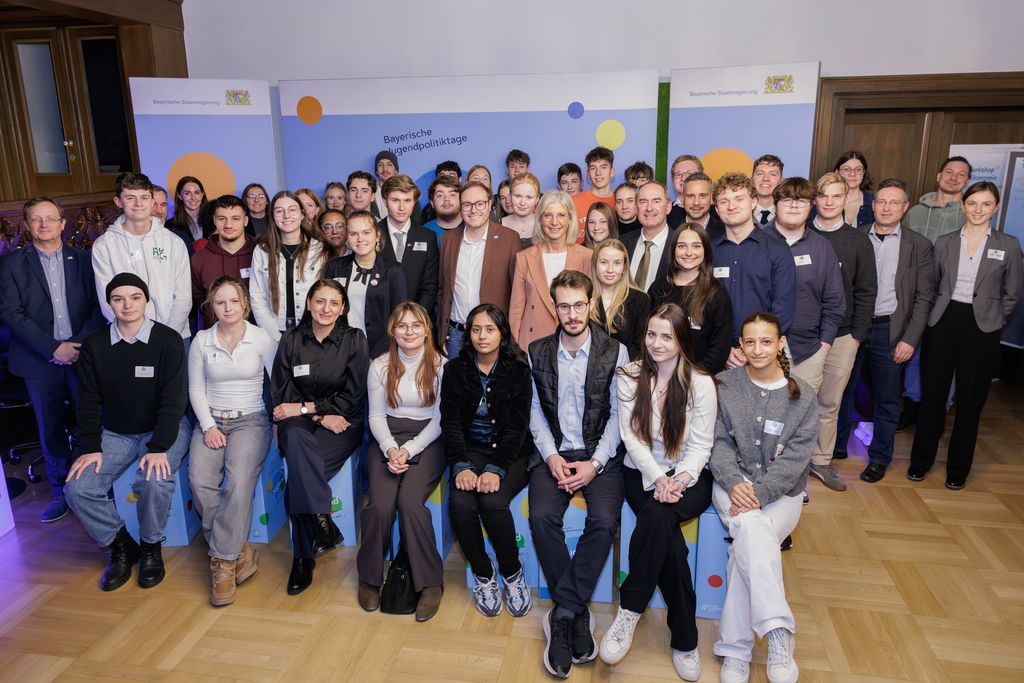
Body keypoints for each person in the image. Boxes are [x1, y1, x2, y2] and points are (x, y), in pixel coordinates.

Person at [601, 303, 717, 681]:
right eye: (652, 334)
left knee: (657, 515)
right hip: (641, 473)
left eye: (667, 336)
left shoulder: (701, 382)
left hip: (689, 477)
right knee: (671, 545)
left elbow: (701, 446)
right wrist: (657, 478)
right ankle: (685, 639)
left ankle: (629, 609)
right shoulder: (629, 375)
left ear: (682, 339)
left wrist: (677, 480)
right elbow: (631, 438)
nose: (657, 343)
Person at [527, 270, 628, 679]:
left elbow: (620, 416)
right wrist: (551, 456)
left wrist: (595, 464)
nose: (571, 314)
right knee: (540, 518)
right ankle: (577, 612)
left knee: (603, 520)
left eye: (579, 305)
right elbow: (534, 412)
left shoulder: (615, 351)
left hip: (600, 455)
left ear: (591, 305)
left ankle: (563, 613)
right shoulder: (537, 351)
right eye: (564, 306)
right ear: (554, 307)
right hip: (553, 453)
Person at [708, 311, 817, 683]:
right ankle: (778, 632)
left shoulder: (803, 395)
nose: (758, 349)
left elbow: (796, 459)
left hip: (783, 495)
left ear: (781, 343)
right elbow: (717, 443)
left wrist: (762, 491)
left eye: (766, 341)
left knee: (750, 538)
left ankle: (735, 650)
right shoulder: (723, 384)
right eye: (750, 342)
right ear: (740, 345)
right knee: (754, 532)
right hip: (732, 487)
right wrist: (733, 481)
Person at [64, 273, 190, 591]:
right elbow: (87, 400)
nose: (127, 305)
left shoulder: (168, 340)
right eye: (118, 299)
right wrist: (91, 446)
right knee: (77, 489)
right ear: (109, 304)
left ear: (146, 300)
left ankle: (150, 547)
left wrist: (158, 447)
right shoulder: (95, 345)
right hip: (115, 433)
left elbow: (174, 400)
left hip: (164, 429)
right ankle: (121, 544)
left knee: (154, 480)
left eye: (135, 297)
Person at [909, 182, 1022, 489]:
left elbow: (1013, 293)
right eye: (972, 203)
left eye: (985, 204)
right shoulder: (945, 242)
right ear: (963, 206)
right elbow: (932, 285)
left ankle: (958, 469)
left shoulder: (1009, 245)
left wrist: (994, 318)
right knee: (933, 397)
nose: (978, 210)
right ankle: (920, 461)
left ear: (995, 208)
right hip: (943, 322)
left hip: (982, 328)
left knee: (971, 401)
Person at [0, 197, 105, 522]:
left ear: (62, 224)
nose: (44, 224)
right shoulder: (11, 263)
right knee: (51, 428)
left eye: (50, 218)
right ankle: (61, 492)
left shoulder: (85, 260)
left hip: (82, 355)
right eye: (36, 219)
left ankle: (96, 487)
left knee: (91, 422)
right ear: (27, 225)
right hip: (38, 360)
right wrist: (52, 348)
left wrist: (76, 345)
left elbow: (98, 306)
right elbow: (10, 313)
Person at [270, 279, 368, 595]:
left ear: (343, 308)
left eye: (334, 303)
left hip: (342, 424)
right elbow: (282, 394)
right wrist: (316, 415)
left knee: (301, 473)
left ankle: (304, 554)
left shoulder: (354, 340)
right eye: (320, 301)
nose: (326, 308)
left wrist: (307, 409)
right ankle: (319, 526)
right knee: (296, 442)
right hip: (302, 423)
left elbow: (353, 397)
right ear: (309, 303)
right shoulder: (291, 339)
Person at [835, 179, 934, 483]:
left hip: (890, 329)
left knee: (887, 398)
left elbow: (924, 298)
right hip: (853, 327)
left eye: (894, 202)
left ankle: (879, 458)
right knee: (842, 389)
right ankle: (836, 447)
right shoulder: (855, 237)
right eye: (881, 201)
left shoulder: (919, 245)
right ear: (873, 205)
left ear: (905, 207)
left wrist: (910, 339)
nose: (887, 207)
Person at [187, 276, 276, 606]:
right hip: (211, 420)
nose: (227, 308)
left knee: (239, 482)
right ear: (211, 306)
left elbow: (278, 383)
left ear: (245, 305)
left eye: (234, 301)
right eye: (220, 302)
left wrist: (279, 422)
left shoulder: (261, 338)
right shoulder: (201, 341)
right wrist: (208, 426)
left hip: (251, 420)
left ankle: (222, 563)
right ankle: (238, 549)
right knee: (199, 481)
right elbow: (195, 388)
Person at [441, 303, 533, 618]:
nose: (482, 336)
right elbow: (450, 423)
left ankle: (512, 572)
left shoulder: (518, 370)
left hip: (510, 452)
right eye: (476, 329)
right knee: (460, 503)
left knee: (492, 503)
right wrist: (461, 465)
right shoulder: (455, 370)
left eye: (490, 329)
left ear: (502, 333)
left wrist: (495, 469)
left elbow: (519, 429)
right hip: (470, 450)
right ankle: (483, 574)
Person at [357, 303, 447, 621]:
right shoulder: (379, 366)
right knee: (380, 505)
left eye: (416, 325)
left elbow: (439, 420)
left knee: (409, 502)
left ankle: (431, 583)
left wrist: (408, 450)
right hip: (387, 437)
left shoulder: (441, 366)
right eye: (402, 326)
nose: (409, 332)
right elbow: (375, 416)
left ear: (427, 329)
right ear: (392, 331)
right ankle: (369, 578)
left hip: (428, 438)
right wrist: (390, 449)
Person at [808, 172, 877, 492]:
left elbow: (866, 291)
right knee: (793, 400)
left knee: (829, 403)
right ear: (814, 199)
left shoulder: (858, 241)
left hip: (842, 335)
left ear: (846, 198)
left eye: (836, 196)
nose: (829, 202)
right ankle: (789, 462)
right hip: (802, 335)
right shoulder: (801, 233)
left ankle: (821, 461)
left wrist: (856, 335)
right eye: (823, 195)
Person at [900, 155, 973, 429]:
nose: (954, 177)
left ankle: (939, 408)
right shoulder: (915, 212)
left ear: (967, 181)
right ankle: (913, 404)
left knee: (946, 355)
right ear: (938, 176)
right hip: (915, 294)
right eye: (949, 172)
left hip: (949, 297)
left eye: (961, 174)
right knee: (912, 350)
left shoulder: (969, 214)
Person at [91, 172, 192, 350]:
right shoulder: (104, 245)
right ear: (118, 202)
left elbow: (183, 297)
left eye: (144, 197)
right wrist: (138, 335)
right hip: (129, 338)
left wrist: (167, 336)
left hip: (175, 336)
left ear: (152, 201)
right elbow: (107, 300)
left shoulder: (174, 242)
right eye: (130, 198)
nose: (138, 204)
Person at [763, 178, 846, 394]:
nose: (793, 206)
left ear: (811, 206)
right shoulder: (758, 241)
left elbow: (834, 301)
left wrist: (824, 345)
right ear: (775, 205)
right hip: (760, 351)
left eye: (801, 201)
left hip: (807, 353)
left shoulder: (822, 247)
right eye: (786, 200)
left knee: (802, 412)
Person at [710, 172, 796, 369]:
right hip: (718, 355)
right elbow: (702, 306)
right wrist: (723, 349)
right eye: (724, 201)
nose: (731, 206)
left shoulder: (777, 250)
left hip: (763, 355)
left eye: (739, 199)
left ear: (754, 202)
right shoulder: (708, 252)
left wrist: (750, 348)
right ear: (716, 208)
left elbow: (783, 308)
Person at [436, 182, 522, 358]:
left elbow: (518, 293)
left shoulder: (509, 239)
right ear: (460, 207)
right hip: (456, 335)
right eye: (467, 205)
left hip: (494, 334)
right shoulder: (448, 240)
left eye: (480, 204)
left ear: (490, 204)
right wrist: (442, 331)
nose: (473, 210)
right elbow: (442, 289)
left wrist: (510, 334)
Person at [509, 190, 592, 350]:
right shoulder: (524, 257)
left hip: (573, 343)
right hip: (531, 344)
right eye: (547, 215)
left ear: (570, 219)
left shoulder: (587, 256)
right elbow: (516, 310)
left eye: (561, 215)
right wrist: (515, 349)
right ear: (539, 219)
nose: (554, 222)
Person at [648, 224, 733, 373]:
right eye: (682, 246)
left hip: (699, 378)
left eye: (696, 246)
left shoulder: (716, 293)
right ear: (673, 250)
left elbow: (720, 348)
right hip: (659, 374)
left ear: (705, 250)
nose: (688, 252)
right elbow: (647, 335)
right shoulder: (659, 288)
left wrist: (694, 377)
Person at [324, 210, 407, 358]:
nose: (360, 239)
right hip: (341, 349)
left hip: (382, 351)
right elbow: (328, 310)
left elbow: (398, 316)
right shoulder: (335, 267)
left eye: (366, 233)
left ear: (377, 235)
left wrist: (376, 355)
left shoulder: (393, 270)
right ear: (347, 237)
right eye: (353, 234)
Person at [249, 191, 328, 342]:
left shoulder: (318, 249)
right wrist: (275, 337)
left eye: (292, 209)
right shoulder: (262, 250)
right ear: (272, 216)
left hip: (312, 332)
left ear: (302, 214)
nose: (286, 216)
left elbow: (324, 295)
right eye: (279, 211)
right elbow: (257, 297)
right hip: (273, 332)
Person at [191, 194, 257, 330]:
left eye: (235, 218)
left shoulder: (261, 254)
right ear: (214, 220)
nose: (228, 225)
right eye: (222, 218)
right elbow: (199, 301)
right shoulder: (199, 259)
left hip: (257, 336)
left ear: (245, 221)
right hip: (216, 336)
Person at [379, 174, 439, 312]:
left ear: (414, 202)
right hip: (381, 318)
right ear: (384, 200)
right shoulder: (372, 234)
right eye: (395, 200)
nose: (402, 207)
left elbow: (430, 285)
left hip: (417, 317)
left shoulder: (427, 237)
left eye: (407, 200)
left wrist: (414, 317)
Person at [590, 240, 649, 360]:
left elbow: (641, 346)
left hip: (627, 368)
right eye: (603, 262)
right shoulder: (584, 298)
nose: (610, 270)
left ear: (624, 267)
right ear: (595, 264)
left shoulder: (640, 300)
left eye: (617, 263)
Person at [622, 181, 678, 293]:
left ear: (668, 207)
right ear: (636, 208)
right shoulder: (622, 242)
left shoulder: (679, 245)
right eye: (643, 201)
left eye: (656, 201)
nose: (649, 208)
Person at [572, 147, 616, 243]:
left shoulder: (620, 203)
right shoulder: (573, 202)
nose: (598, 173)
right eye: (593, 168)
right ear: (588, 174)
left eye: (603, 167)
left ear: (612, 171)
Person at [166, 176, 208, 253]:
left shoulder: (214, 220)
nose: (193, 198)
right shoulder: (170, 226)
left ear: (202, 195)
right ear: (179, 196)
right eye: (187, 193)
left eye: (197, 192)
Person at [833, 151, 874, 227]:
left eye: (858, 169)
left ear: (863, 173)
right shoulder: (825, 201)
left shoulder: (874, 202)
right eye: (846, 169)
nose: (852, 174)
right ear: (837, 172)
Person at [680, 172, 724, 238]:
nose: (696, 203)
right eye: (690, 196)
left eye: (702, 196)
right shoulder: (672, 229)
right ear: (682, 198)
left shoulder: (724, 231)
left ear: (711, 197)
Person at [501, 172, 541, 245]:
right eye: (518, 196)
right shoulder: (497, 225)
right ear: (510, 196)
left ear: (537, 199)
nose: (522, 203)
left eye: (529, 197)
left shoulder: (544, 224)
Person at [423, 174, 464, 240]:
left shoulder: (472, 227)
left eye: (452, 195)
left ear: (461, 200)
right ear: (432, 203)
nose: (446, 199)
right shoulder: (423, 232)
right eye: (440, 195)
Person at [667, 154, 703, 229]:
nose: (683, 178)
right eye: (678, 174)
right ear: (672, 180)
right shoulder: (665, 212)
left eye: (690, 173)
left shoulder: (716, 212)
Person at [751, 155, 784, 226]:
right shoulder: (738, 213)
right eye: (760, 173)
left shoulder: (789, 215)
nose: (765, 179)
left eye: (773, 174)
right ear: (751, 179)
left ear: (781, 181)